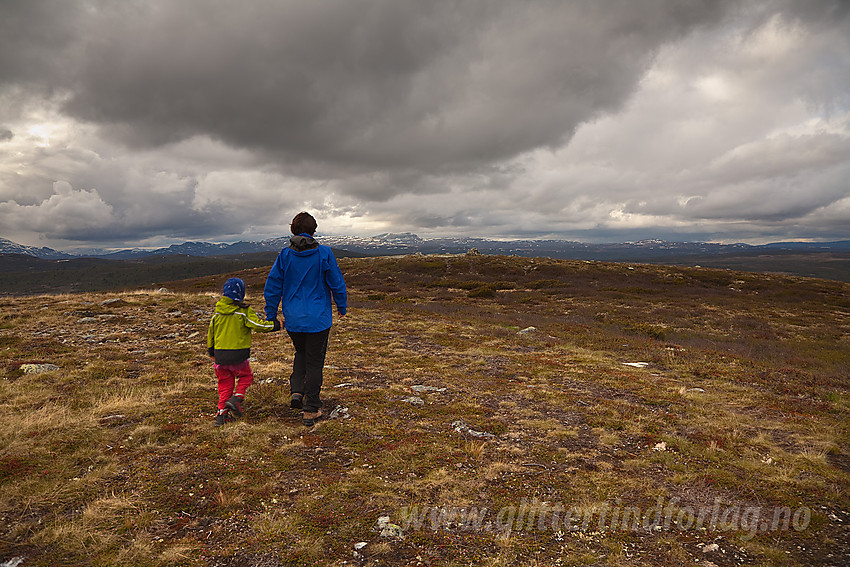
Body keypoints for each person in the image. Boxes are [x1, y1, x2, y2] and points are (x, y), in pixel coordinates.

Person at [264, 212, 347, 426]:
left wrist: (271, 315)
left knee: (301, 351)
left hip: (293, 319)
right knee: (315, 362)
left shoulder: (284, 255)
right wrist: (342, 306)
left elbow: (273, 286)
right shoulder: (324, 254)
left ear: (293, 229)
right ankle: (311, 408)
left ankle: (296, 392)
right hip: (318, 319)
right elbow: (336, 282)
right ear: (313, 230)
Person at [207, 277, 280, 426]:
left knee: (225, 384)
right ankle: (237, 399)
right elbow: (257, 325)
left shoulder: (217, 313)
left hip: (220, 356)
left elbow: (211, 334)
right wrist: (275, 325)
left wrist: (211, 352)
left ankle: (221, 416)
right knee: (246, 376)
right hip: (237, 354)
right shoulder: (243, 311)